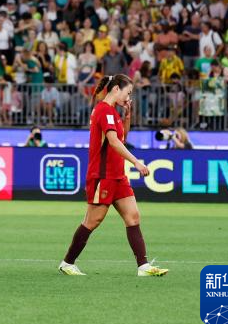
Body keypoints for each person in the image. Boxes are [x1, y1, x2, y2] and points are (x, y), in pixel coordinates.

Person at [59, 74, 169, 277]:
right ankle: (67, 263)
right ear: (116, 89)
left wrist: (127, 116)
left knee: (133, 217)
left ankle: (143, 267)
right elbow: (114, 142)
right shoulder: (104, 110)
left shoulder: (113, 113)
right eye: (128, 92)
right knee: (92, 221)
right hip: (103, 176)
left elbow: (122, 137)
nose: (129, 97)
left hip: (118, 175)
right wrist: (136, 162)